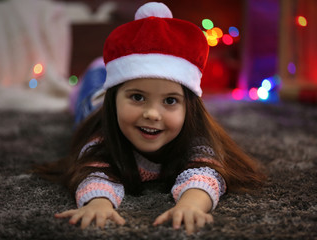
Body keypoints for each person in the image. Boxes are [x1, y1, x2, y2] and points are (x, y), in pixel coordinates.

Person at [34, 2, 266, 235]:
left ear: (190, 108)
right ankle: (98, 71)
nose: (152, 114)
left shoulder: (194, 137)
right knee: (89, 88)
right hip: (94, 102)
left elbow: (205, 173)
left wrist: (191, 205)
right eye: (137, 97)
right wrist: (98, 205)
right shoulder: (101, 136)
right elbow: (94, 173)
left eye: (170, 101)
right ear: (114, 100)